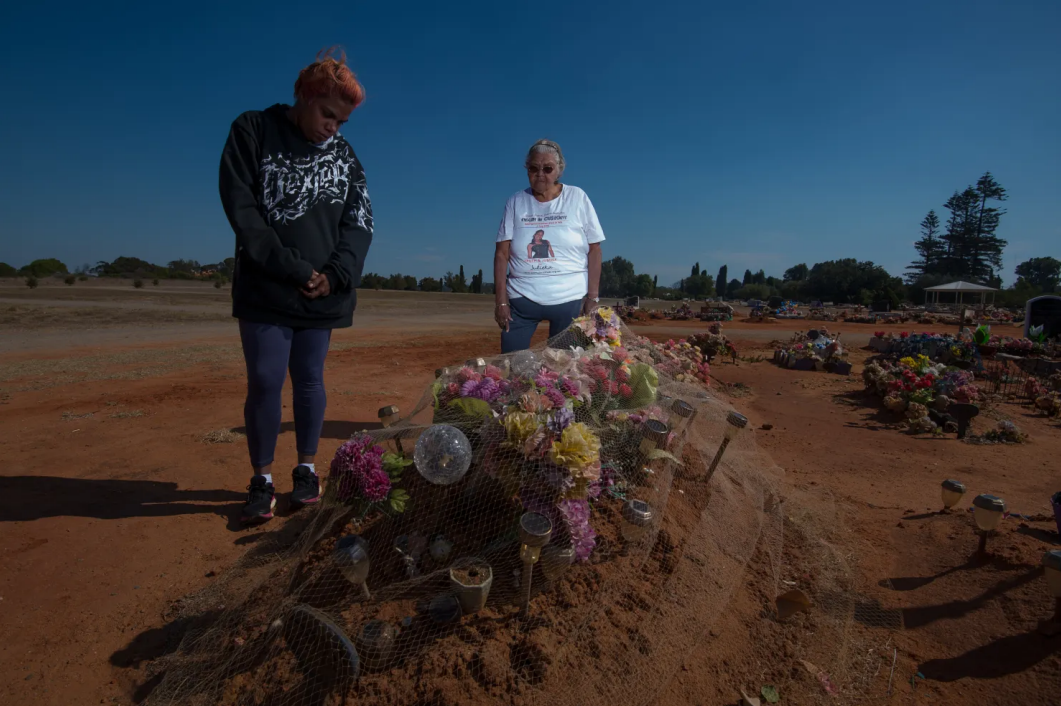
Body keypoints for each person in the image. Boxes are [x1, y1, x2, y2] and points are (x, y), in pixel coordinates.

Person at [218, 48, 373, 523]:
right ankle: (261, 480)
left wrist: (335, 275)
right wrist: (292, 268)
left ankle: (306, 470)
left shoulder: (344, 156)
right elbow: (243, 211)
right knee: (265, 381)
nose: (334, 127)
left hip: (320, 291)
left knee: (309, 381)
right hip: (269, 288)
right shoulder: (253, 130)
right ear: (306, 96)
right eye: (328, 114)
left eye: (342, 121)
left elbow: (360, 222)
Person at [494, 139, 605, 352]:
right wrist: (501, 301)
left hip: (569, 299)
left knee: (563, 368)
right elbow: (501, 254)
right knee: (512, 363)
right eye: (534, 168)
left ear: (559, 170)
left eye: (548, 168)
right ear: (527, 169)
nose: (540, 174)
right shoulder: (516, 201)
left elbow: (595, 250)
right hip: (521, 298)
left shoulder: (577, 197)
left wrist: (592, 298)